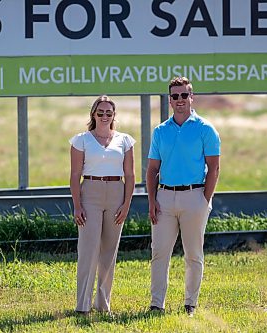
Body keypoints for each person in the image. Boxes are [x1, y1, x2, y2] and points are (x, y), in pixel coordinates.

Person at [146, 77, 220, 317]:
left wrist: (203, 200)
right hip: (164, 198)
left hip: (194, 196)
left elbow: (214, 168)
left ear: (192, 97)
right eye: (175, 96)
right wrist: (151, 201)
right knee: (159, 253)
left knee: (193, 255)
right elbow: (152, 170)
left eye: (184, 95)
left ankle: (191, 303)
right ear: (170, 100)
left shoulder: (205, 129)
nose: (180, 100)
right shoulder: (160, 131)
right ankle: (157, 303)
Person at [69, 95, 136, 315]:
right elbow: (75, 175)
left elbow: (130, 174)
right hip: (91, 194)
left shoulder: (125, 141)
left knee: (109, 252)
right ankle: (83, 305)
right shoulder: (81, 140)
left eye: (109, 112)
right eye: (101, 112)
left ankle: (102, 303)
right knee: (88, 251)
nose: (105, 116)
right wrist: (77, 206)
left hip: (116, 194)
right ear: (93, 114)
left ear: (114, 115)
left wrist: (126, 204)